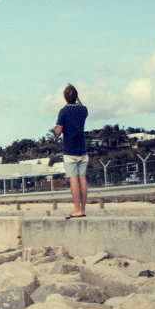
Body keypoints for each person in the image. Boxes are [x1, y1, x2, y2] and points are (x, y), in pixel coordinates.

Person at [55, 83, 89, 218]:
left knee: (73, 180)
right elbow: (81, 106)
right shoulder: (83, 110)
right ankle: (83, 209)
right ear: (76, 96)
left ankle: (76, 209)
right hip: (82, 150)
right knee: (83, 179)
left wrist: (58, 130)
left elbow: (58, 131)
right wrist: (78, 98)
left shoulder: (63, 111)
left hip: (70, 151)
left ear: (65, 97)